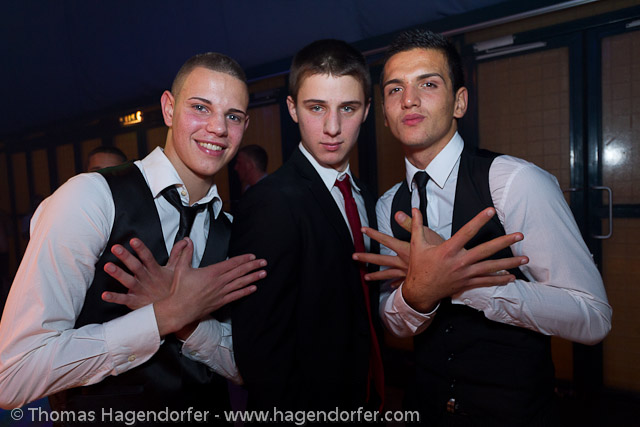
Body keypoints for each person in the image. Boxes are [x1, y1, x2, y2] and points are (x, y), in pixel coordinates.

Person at [356, 29, 612, 426]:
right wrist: (417, 293)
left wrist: (465, 282)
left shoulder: (513, 182)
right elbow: (394, 322)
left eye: (428, 83)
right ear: (386, 116)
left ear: (459, 102)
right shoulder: (389, 204)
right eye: (395, 89)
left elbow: (593, 317)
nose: (409, 99)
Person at [0, 52, 267, 423]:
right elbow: (13, 376)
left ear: (245, 125)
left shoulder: (235, 230)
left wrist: (188, 323)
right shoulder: (90, 198)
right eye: (200, 108)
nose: (218, 128)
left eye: (232, 116)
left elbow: (251, 367)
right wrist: (161, 317)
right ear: (169, 108)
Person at [228, 39, 385, 415]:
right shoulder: (270, 202)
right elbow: (261, 349)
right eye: (317, 108)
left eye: (348, 108)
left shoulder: (363, 194)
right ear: (292, 109)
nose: (333, 127)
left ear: (366, 110)